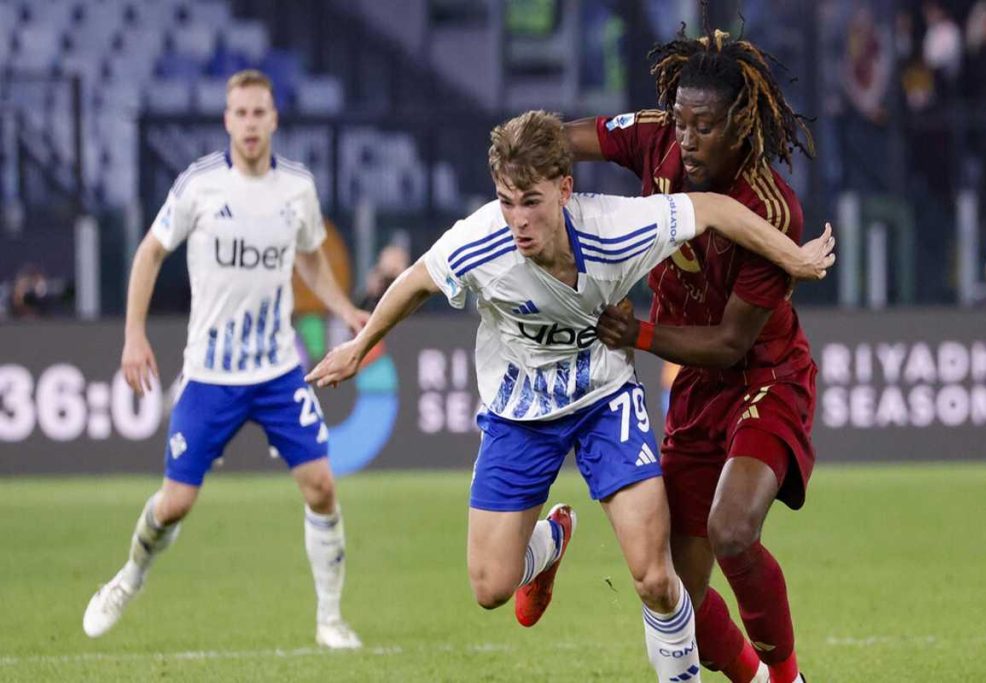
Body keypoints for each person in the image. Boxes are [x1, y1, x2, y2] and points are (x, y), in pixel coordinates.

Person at [306, 110, 834, 682]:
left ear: (564, 189)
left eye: (530, 201)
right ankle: (552, 539)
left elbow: (715, 210)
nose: (516, 220)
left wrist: (792, 256)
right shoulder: (481, 241)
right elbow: (414, 283)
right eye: (506, 201)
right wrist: (360, 348)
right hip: (520, 413)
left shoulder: (617, 227)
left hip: (605, 400)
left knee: (657, 578)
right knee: (489, 588)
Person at [566, 21, 821, 683]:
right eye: (680, 122)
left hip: (764, 376)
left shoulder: (771, 211)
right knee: (675, 589)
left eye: (702, 126)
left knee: (733, 530)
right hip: (698, 393)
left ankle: (789, 676)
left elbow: (732, 342)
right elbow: (568, 139)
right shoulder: (656, 136)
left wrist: (639, 334)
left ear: (740, 125)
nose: (686, 138)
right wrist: (525, 156)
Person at [81, 70, 369, 650]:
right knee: (175, 503)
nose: (250, 123)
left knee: (320, 486)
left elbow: (310, 260)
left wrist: (344, 308)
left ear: (274, 118)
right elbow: (149, 253)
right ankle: (129, 576)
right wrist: (133, 334)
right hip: (210, 374)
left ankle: (330, 620)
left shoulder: (297, 188)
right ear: (227, 120)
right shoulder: (200, 186)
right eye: (240, 113)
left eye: (260, 112)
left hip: (277, 369)